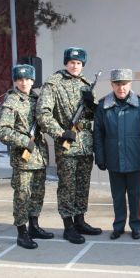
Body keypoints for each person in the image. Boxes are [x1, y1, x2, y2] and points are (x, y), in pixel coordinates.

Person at [36, 47, 102, 245]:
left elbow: (92, 116)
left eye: (79, 63)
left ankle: (80, 220)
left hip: (85, 143)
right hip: (66, 144)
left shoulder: (87, 84)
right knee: (67, 186)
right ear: (66, 63)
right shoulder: (54, 83)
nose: (75, 66)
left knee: (82, 184)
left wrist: (92, 107)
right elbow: (43, 114)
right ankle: (68, 226)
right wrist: (60, 133)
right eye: (72, 62)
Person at [0, 64, 54, 250]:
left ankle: (34, 226)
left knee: (37, 194)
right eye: (20, 79)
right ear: (15, 81)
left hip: (39, 157)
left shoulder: (38, 99)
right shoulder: (11, 102)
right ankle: (22, 233)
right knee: (22, 196)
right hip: (23, 159)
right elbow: (2, 130)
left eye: (27, 79)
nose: (24, 83)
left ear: (32, 80)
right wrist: (23, 140)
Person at [93, 69, 140, 240]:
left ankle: (136, 226)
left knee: (135, 195)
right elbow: (98, 133)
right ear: (112, 85)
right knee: (117, 195)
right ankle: (118, 226)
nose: (121, 88)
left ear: (130, 84)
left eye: (124, 84)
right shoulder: (103, 105)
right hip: (113, 158)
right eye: (117, 84)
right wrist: (100, 156)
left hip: (135, 158)